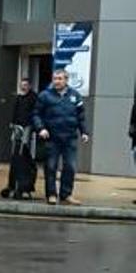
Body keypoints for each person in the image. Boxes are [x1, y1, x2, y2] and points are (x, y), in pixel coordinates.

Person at [34, 70, 89, 206]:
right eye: (55, 79)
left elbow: (81, 116)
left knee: (70, 167)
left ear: (66, 80)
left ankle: (66, 195)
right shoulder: (45, 96)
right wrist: (41, 128)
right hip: (52, 137)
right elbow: (36, 114)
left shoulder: (75, 96)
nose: (57, 81)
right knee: (51, 167)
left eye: (59, 79)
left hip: (70, 137)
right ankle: (51, 194)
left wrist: (84, 132)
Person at [2, 78, 39, 200]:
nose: (23, 87)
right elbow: (15, 111)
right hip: (18, 128)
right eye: (22, 85)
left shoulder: (33, 97)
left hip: (27, 128)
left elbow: (34, 113)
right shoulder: (19, 98)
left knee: (23, 155)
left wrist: (31, 126)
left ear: (29, 86)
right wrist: (13, 123)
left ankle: (22, 186)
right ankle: (13, 185)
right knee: (16, 155)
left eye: (25, 85)